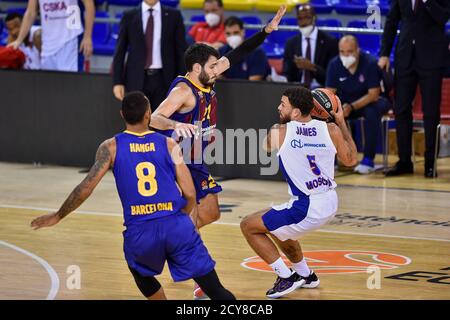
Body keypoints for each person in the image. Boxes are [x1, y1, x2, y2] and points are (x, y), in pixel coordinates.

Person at [30, 91, 236, 301]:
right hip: (176, 226)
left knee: (141, 273)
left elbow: (85, 188)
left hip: (141, 232)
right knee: (215, 290)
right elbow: (190, 192)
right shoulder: (169, 144)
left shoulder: (110, 147)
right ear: (148, 114)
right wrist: (181, 214)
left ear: (122, 114)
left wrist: (58, 215)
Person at [150, 5, 286, 299]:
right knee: (192, 218)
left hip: (196, 159)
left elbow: (237, 55)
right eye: (213, 67)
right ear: (197, 68)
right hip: (178, 162)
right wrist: (176, 124)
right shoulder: (183, 90)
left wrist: (265, 32)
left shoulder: (206, 76)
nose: (218, 70)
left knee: (210, 213)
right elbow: (154, 118)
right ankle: (202, 280)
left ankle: (168, 240)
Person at [240, 87, 357, 299]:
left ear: (295, 112)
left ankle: (286, 276)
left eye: (283, 104)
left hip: (306, 206)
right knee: (279, 227)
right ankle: (306, 275)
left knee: (248, 225)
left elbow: (266, 147)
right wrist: (340, 121)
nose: (278, 107)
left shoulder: (279, 131)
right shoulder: (331, 130)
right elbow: (351, 161)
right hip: (330, 200)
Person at [378, 0, 450, 178]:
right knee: (401, 109)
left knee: (431, 112)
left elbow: (443, 17)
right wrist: (385, 53)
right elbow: (392, 21)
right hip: (405, 57)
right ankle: (404, 162)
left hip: (432, 58)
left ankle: (430, 162)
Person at [326, 35, 390, 174]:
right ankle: (333, 159)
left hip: (373, 101)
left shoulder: (370, 63)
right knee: (328, 115)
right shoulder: (334, 64)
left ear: (357, 50)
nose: (345, 55)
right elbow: (330, 93)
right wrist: (338, 108)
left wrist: (351, 107)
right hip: (346, 102)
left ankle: (368, 160)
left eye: (349, 52)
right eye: (342, 52)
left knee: (371, 112)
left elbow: (373, 94)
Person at [112, 0, 187, 111]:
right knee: (138, 121)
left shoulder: (173, 15)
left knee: (163, 121)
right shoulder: (129, 15)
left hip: (165, 79)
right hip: (136, 79)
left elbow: (181, 51)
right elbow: (120, 50)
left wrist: (182, 81)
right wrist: (117, 81)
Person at [8, 0, 94, 72]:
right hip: (47, 46)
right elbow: (30, 12)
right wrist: (19, 40)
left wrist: (87, 37)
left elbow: (89, 4)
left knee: (71, 85)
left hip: (71, 41)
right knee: (50, 86)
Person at [283, 4, 338, 88]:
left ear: (314, 18)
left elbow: (332, 77)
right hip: (297, 90)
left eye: (307, 17)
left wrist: (312, 67)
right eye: (300, 18)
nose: (303, 22)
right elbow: (288, 74)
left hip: (321, 89)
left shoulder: (330, 42)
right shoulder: (291, 44)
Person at [218, 16, 270, 81]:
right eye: (228, 34)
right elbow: (218, 78)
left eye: (236, 33)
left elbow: (253, 82)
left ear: (243, 32)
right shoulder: (221, 51)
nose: (232, 37)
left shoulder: (257, 53)